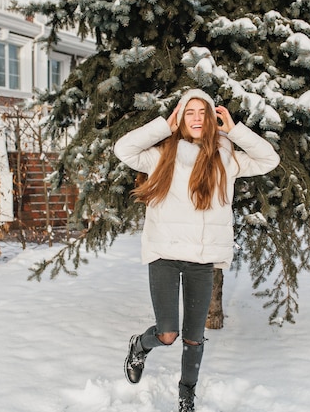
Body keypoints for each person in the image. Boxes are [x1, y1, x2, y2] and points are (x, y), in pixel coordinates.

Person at [114, 89, 279, 412]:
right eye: (189, 112)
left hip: (201, 260)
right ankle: (139, 345)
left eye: (203, 112)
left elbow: (269, 159)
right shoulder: (162, 153)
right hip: (164, 254)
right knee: (167, 334)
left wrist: (235, 131)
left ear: (212, 119)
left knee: (194, 338)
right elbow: (124, 148)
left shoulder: (225, 156)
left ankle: (186, 393)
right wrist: (164, 125)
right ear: (180, 117)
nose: (197, 119)